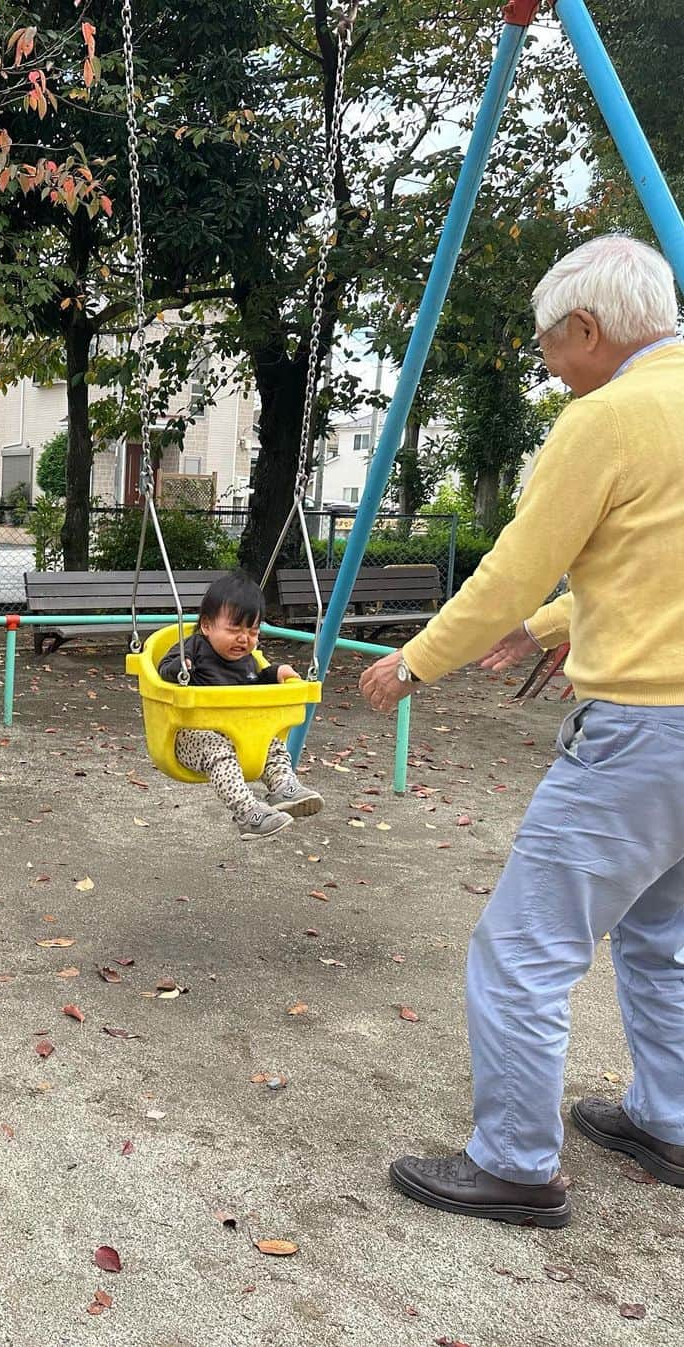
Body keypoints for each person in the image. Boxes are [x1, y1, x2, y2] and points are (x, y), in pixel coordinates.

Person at [358, 234, 684, 1228]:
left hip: (641, 732)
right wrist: (543, 630)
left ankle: (515, 1164)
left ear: (587, 328)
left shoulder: (610, 418)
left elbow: (514, 564)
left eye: (549, 347)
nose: (549, 367)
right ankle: (670, 1120)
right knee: (664, 937)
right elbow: (647, 560)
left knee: (523, 952)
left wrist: (418, 661)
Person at [159, 571, 323, 839]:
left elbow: (255, 682)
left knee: (272, 742)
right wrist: (181, 667)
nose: (244, 639)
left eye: (252, 631)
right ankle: (247, 813)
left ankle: (283, 786)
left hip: (240, 735)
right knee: (219, 750)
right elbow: (163, 667)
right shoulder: (194, 647)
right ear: (207, 626)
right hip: (192, 736)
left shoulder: (247, 660)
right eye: (234, 629)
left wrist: (274, 673)